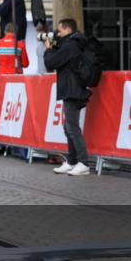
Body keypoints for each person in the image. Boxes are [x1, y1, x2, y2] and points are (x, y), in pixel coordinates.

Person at [43, 18, 90, 176]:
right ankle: (72, 161)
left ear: (68, 30)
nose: (58, 33)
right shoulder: (71, 44)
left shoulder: (71, 45)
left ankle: (83, 162)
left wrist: (49, 49)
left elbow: (51, 62)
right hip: (71, 88)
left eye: (60, 30)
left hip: (72, 89)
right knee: (68, 126)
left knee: (72, 127)